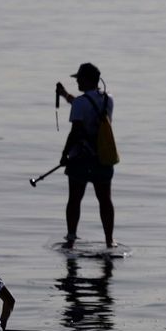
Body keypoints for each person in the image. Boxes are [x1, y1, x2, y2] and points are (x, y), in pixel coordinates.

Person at [56, 62, 116, 247]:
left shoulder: (81, 103)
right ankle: (109, 240)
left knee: (74, 199)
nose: (78, 82)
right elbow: (84, 103)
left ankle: (71, 237)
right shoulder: (108, 99)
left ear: (88, 79)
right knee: (105, 200)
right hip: (103, 158)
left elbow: (75, 132)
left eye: (80, 78)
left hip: (80, 159)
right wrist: (65, 95)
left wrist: (64, 155)